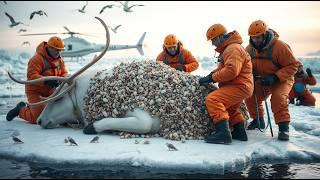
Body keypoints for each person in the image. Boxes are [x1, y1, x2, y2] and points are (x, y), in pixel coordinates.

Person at [244, 20, 301, 141]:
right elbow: (245, 66)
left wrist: (275, 77)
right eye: (253, 37)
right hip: (262, 80)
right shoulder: (249, 49)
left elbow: (293, 65)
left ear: (264, 34)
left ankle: (283, 128)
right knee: (249, 94)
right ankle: (258, 120)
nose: (256, 40)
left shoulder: (280, 46)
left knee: (278, 98)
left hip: (282, 79)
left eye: (258, 37)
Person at [199, 23, 253, 144]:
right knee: (231, 109)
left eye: (213, 40)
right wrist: (210, 75)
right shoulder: (230, 48)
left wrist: (212, 78)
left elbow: (231, 71)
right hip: (241, 86)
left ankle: (223, 134)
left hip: (239, 86)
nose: (212, 43)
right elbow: (223, 68)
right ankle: (239, 132)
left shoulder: (232, 48)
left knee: (213, 100)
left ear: (219, 37)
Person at [6, 36, 68, 124]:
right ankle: (20, 110)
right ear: (49, 47)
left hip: (50, 91)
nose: (59, 52)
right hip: (35, 91)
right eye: (56, 49)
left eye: (60, 50)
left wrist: (63, 79)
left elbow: (64, 73)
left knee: (62, 108)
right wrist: (46, 81)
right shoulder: (37, 59)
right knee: (37, 118)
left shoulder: (60, 61)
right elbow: (32, 76)